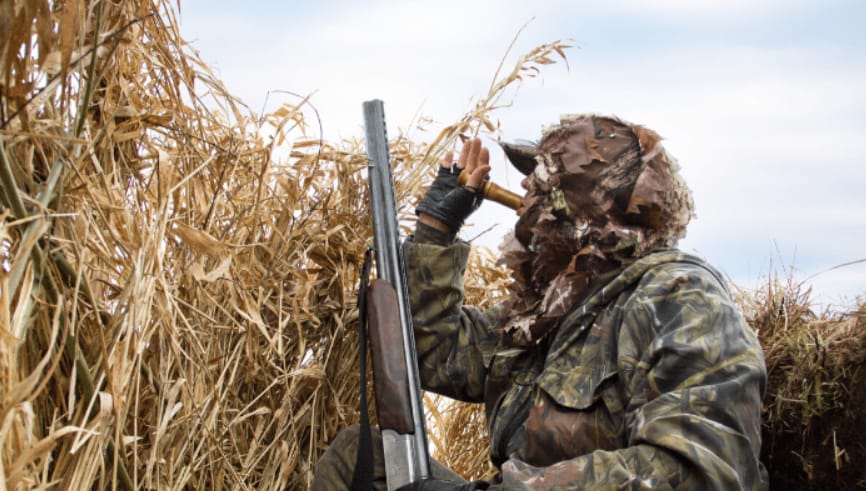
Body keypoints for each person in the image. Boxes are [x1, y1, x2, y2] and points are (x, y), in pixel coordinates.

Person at [312, 114, 768, 490]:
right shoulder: (553, 309)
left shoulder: (679, 299)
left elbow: (704, 473)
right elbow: (432, 355)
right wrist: (435, 231)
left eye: (543, 181)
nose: (526, 191)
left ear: (588, 202)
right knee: (360, 459)